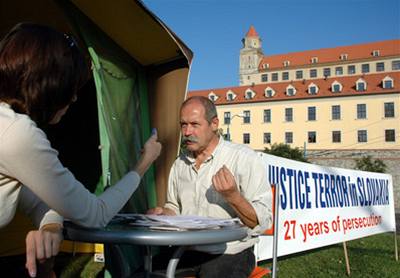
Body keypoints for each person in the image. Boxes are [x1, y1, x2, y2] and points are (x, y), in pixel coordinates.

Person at [0, 23, 161, 277]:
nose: (74, 99)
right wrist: (142, 165)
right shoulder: (18, 133)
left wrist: (51, 226)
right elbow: (95, 215)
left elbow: (35, 199)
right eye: (71, 88)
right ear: (50, 85)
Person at [148, 96, 272, 278]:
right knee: (141, 273)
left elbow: (263, 222)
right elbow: (174, 207)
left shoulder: (244, 158)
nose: (187, 131)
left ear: (214, 124)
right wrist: (163, 215)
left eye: (194, 124)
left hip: (230, 252)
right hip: (185, 251)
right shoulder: (180, 164)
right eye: (183, 125)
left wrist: (233, 196)